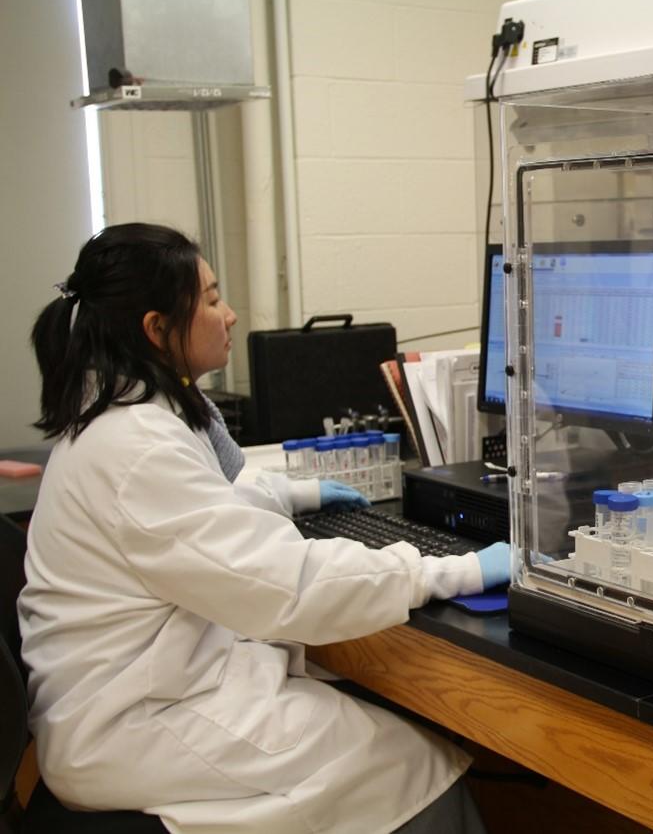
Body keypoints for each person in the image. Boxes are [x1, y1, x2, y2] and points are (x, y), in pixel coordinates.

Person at [19, 223, 507, 833]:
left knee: (367, 723)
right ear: (157, 328)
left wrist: (296, 492)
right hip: (134, 724)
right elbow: (290, 586)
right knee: (409, 762)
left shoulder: (122, 415)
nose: (230, 314)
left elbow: (203, 507)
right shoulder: (136, 446)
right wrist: (456, 569)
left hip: (136, 692)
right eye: (214, 298)